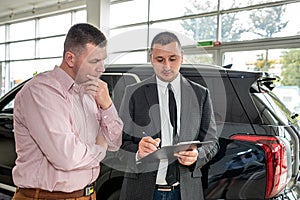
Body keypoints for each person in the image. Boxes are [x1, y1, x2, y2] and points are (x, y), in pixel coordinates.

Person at [12, 23, 123, 200]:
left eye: (103, 60)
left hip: (88, 194)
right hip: (46, 197)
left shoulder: (89, 92)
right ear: (70, 59)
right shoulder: (41, 92)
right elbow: (67, 157)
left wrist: (108, 106)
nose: (102, 68)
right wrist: (101, 148)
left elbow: (115, 142)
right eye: (94, 61)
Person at [118, 31, 219, 200]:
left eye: (173, 59)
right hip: (142, 191)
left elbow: (212, 142)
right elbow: (119, 144)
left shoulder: (200, 94)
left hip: (186, 192)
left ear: (182, 57)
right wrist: (138, 152)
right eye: (160, 60)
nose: (167, 66)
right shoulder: (133, 93)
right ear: (151, 59)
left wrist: (197, 155)